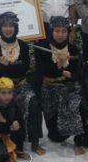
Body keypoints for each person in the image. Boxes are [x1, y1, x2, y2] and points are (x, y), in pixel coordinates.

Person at [0, 12, 44, 154]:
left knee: (34, 102)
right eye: (5, 26)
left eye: (11, 26)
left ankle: (34, 142)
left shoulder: (22, 45)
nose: (8, 29)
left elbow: (25, 67)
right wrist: (0, 66)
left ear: (15, 28)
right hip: (1, 90)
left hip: (20, 85)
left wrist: (6, 65)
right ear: (0, 27)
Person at [33, 17, 83, 154]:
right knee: (57, 137)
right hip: (48, 88)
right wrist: (59, 65)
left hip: (67, 87)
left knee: (78, 101)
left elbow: (78, 74)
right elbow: (40, 72)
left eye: (64, 31)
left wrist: (71, 75)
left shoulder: (73, 49)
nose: (60, 34)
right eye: (57, 31)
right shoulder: (42, 47)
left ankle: (78, 142)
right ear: (51, 31)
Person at [0, 77, 31, 162]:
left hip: (14, 135)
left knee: (20, 129)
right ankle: (5, 151)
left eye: (9, 93)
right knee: (1, 159)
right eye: (3, 93)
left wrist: (6, 121)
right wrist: (9, 125)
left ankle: (18, 150)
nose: (7, 96)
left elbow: (21, 124)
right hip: (0, 137)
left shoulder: (16, 106)